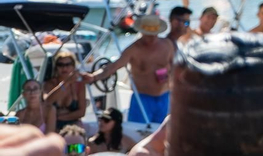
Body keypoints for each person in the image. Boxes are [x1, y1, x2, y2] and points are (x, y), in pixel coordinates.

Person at [84, 14, 175, 142]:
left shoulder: (167, 45)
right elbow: (113, 67)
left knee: (162, 135)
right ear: (142, 32)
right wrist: (93, 77)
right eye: (149, 34)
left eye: (154, 34)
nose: (152, 38)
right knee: (138, 134)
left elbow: (175, 67)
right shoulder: (133, 50)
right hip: (142, 99)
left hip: (164, 97)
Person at [43, 49, 91, 136]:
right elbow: (47, 101)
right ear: (56, 67)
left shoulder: (79, 85)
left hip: (73, 126)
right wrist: (66, 83)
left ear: (73, 66)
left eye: (68, 64)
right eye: (60, 65)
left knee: (77, 135)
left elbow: (81, 112)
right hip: (53, 126)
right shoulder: (50, 84)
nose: (64, 68)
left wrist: (59, 117)